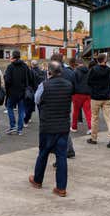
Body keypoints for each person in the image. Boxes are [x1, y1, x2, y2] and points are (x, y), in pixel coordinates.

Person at [29, 61, 74, 197]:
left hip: (48, 125)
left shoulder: (44, 85)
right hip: (63, 126)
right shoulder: (69, 85)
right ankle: (61, 188)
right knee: (61, 156)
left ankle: (37, 180)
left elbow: (36, 99)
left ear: (49, 72)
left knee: (43, 153)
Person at [87, 52, 110, 148]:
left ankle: (94, 138)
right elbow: (109, 80)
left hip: (95, 97)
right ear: (105, 60)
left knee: (94, 117)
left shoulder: (93, 70)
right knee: (108, 118)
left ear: (97, 60)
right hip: (107, 96)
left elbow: (89, 82)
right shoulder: (109, 70)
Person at [50, 53, 76, 158]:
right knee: (64, 127)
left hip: (54, 102)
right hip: (66, 102)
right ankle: (69, 149)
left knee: (54, 128)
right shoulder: (70, 72)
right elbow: (74, 87)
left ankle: (60, 151)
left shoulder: (52, 72)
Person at [4, 50, 34, 135]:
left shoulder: (10, 67)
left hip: (12, 92)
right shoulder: (25, 66)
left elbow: (8, 80)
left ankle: (12, 125)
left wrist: (7, 89)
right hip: (23, 92)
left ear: (13, 56)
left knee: (9, 107)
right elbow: (30, 78)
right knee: (21, 110)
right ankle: (20, 129)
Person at [71, 58, 92, 134]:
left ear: (77, 64)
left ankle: (74, 127)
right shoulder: (89, 71)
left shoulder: (75, 72)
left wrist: (72, 93)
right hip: (87, 94)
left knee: (75, 112)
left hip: (77, 94)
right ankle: (91, 127)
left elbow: (73, 83)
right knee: (88, 111)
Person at [24, 59, 46, 126]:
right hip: (40, 91)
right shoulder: (42, 72)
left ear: (32, 65)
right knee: (40, 107)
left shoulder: (30, 72)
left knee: (29, 107)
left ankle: (26, 120)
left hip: (32, 91)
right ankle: (41, 121)